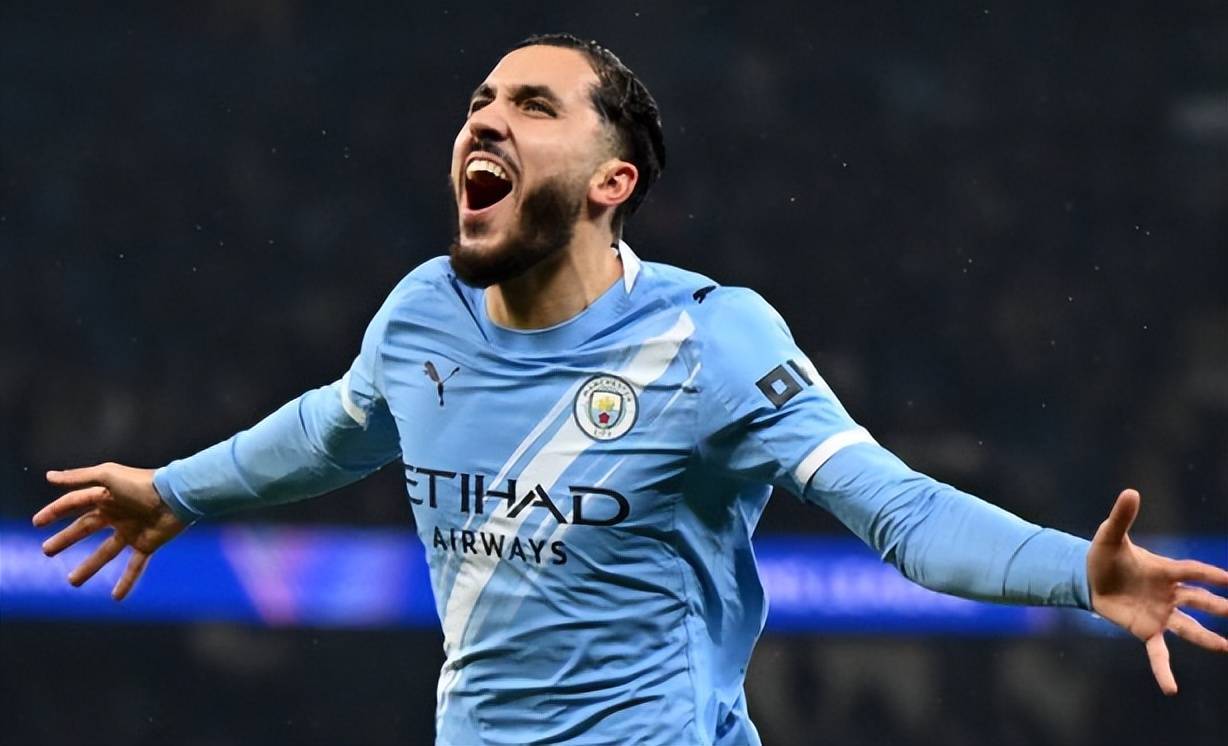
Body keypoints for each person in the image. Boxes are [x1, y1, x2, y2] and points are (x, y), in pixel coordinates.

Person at [33, 33, 1227, 746]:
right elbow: (338, 425)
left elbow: (899, 510)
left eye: (530, 105)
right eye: (478, 104)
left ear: (612, 180)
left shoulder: (710, 340)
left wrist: (1077, 571)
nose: (484, 121)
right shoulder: (422, 313)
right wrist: (175, 491)